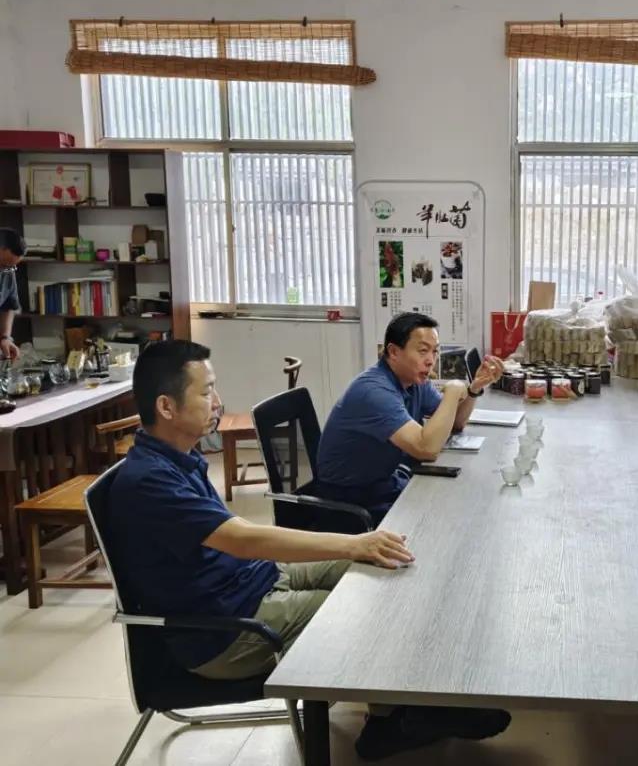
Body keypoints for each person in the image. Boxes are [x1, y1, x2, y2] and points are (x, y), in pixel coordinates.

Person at [106, 340, 511, 759]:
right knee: (371, 610)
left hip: (256, 582)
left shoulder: (176, 458)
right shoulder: (150, 480)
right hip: (225, 631)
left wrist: (360, 548)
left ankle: (405, 706)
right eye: (207, 391)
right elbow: (242, 539)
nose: (218, 401)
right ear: (167, 407)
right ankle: (394, 723)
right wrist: (354, 542)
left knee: (390, 567)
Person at [318, 313, 504, 523]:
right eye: (423, 351)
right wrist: (452, 392)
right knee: (446, 516)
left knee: (462, 499)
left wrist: (473, 389)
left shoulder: (414, 381)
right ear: (394, 352)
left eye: (435, 351)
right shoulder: (374, 391)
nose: (431, 360)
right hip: (351, 501)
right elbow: (427, 449)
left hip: (385, 482)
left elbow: (455, 423)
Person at [0, 228, 26, 360]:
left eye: (11, 266)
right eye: (3, 264)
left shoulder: (8, 272)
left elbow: (9, 305)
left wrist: (5, 337)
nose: (6, 270)